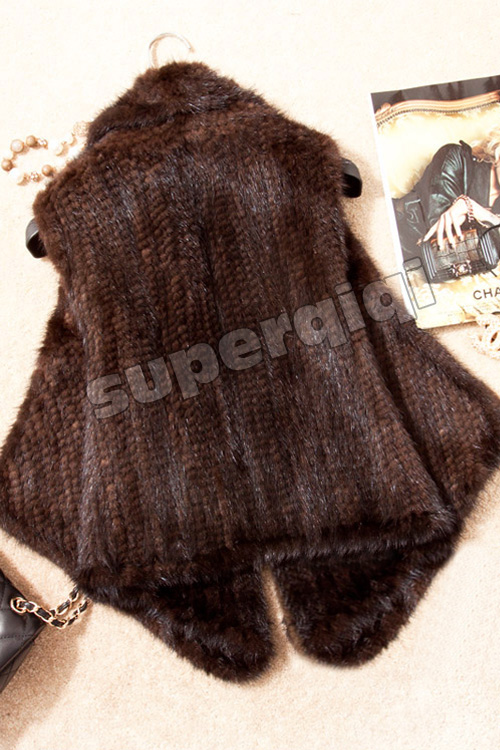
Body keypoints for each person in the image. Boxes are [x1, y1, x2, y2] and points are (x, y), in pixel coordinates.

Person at [393, 126, 500, 264]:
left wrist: (472, 208)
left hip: (426, 265)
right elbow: (438, 234)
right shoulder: (454, 156)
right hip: (392, 235)